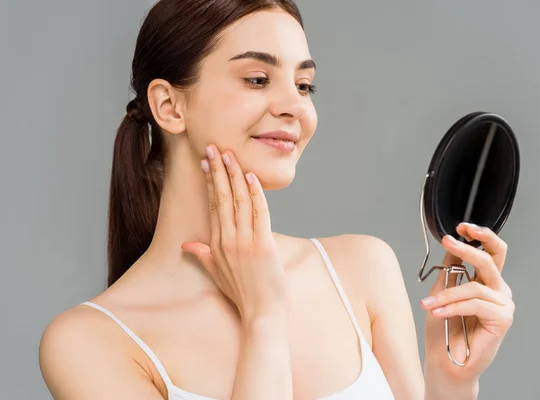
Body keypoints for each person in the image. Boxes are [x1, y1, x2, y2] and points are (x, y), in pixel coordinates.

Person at [38, 1, 515, 399]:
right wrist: (264, 317)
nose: (296, 107)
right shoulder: (89, 342)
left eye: (304, 85)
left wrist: (453, 377)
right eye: (257, 79)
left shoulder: (362, 269)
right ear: (169, 105)